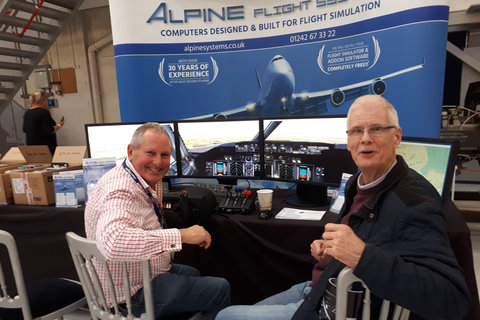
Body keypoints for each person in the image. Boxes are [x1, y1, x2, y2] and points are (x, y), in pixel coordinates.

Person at [216, 95, 470, 320]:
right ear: (348, 140)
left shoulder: (414, 202)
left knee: (225, 315)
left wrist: (362, 256)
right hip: (322, 284)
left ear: (397, 136)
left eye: (377, 129)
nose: (365, 139)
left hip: (339, 306)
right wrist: (333, 251)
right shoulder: (358, 182)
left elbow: (452, 300)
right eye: (356, 131)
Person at [85, 122, 231, 320]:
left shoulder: (138, 177)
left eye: (164, 155)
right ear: (130, 151)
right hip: (128, 296)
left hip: (133, 276)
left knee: (193, 272)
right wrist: (182, 235)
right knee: (220, 288)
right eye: (150, 153)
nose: (158, 162)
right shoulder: (121, 190)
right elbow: (114, 242)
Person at [22, 91, 65, 155]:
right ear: (42, 101)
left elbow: (25, 129)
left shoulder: (27, 113)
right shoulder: (44, 112)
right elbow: (49, 130)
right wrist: (59, 125)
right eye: (47, 100)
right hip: (46, 149)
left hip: (32, 148)